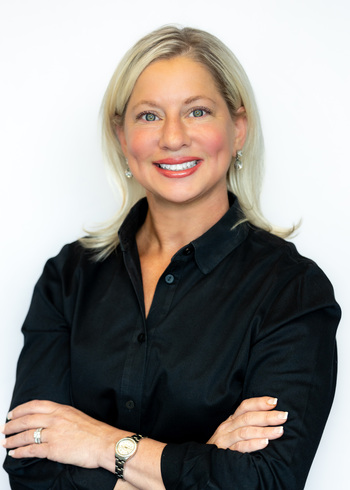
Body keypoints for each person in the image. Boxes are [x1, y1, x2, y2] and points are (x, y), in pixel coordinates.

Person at [2, 26, 340, 489]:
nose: (173, 137)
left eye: (197, 111)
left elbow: (268, 480)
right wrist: (202, 462)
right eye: (148, 116)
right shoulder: (68, 278)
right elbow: (28, 466)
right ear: (122, 136)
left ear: (238, 128)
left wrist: (101, 444)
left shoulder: (293, 291)